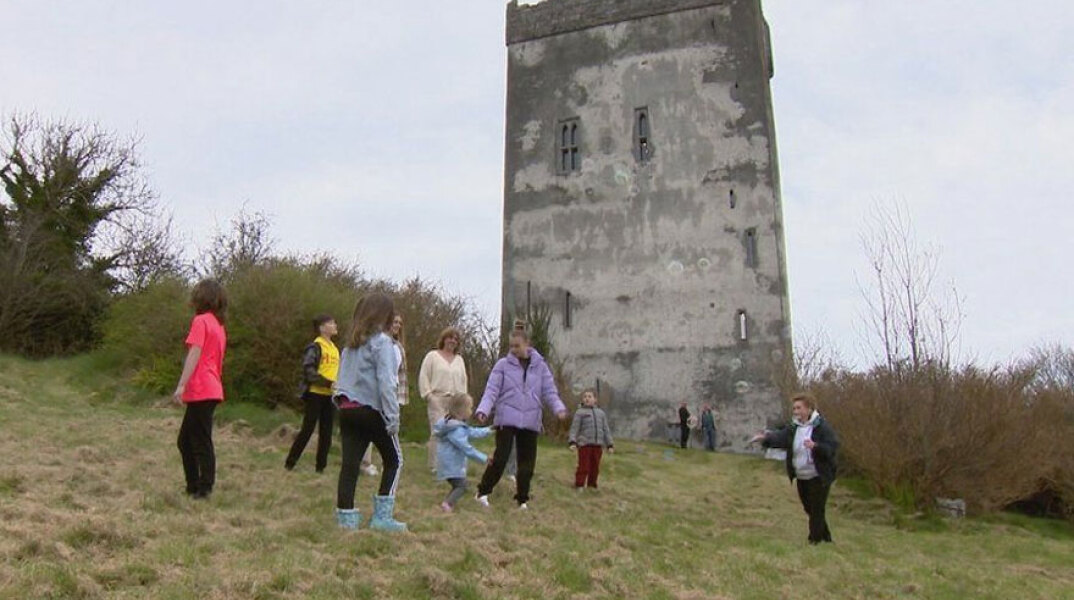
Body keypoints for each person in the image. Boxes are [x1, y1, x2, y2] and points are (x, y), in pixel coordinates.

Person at [333, 293, 406, 532]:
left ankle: (346, 520)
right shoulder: (383, 343)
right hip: (371, 410)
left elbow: (341, 379)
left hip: (347, 409)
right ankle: (382, 517)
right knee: (394, 460)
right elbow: (387, 381)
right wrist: (393, 417)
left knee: (350, 465)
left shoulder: (350, 345)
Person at [474, 322, 568, 509]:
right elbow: (492, 389)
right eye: (511, 346)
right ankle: (483, 492)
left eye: (517, 346)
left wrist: (559, 408)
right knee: (500, 458)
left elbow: (549, 391)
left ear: (527, 344)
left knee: (527, 463)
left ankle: (522, 499)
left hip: (530, 420)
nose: (514, 350)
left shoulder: (541, 367)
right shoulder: (502, 365)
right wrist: (483, 409)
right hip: (506, 419)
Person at [750, 392, 840, 544]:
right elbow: (780, 437)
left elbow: (832, 447)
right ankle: (826, 537)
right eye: (794, 408)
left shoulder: (822, 427)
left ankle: (814, 541)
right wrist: (765, 439)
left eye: (799, 408)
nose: (796, 411)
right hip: (802, 475)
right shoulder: (794, 427)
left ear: (809, 409)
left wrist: (815, 446)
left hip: (819, 475)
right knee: (809, 509)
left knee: (817, 509)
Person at [173, 279, 228, 500]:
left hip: (202, 388)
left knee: (199, 440)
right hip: (212, 386)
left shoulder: (201, 321)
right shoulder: (218, 325)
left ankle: (204, 488)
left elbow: (195, 353)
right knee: (187, 440)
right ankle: (194, 485)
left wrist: (181, 385)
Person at [285, 314, 339, 473]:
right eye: (331, 323)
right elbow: (309, 371)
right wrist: (327, 382)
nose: (335, 325)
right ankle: (290, 463)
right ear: (322, 327)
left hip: (330, 396)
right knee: (307, 430)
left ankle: (320, 467)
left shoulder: (335, 349)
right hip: (316, 394)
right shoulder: (316, 346)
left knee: (327, 433)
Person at [418, 327, 469, 473]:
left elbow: (463, 381)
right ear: (444, 339)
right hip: (438, 398)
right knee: (438, 432)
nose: (452, 341)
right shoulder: (432, 356)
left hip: (456, 401)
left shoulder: (459, 360)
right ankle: (436, 465)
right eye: (450, 337)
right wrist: (428, 396)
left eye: (455, 339)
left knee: (457, 433)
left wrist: (464, 402)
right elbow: (424, 376)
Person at [433, 393, 492, 512]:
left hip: (449, 464)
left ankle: (448, 502)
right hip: (451, 465)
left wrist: (490, 430)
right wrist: (484, 458)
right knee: (462, 486)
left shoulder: (455, 425)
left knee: (458, 485)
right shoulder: (455, 430)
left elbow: (472, 432)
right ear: (461, 411)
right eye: (470, 408)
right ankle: (447, 504)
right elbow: (467, 449)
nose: (472, 411)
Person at [568, 389, 614, 490]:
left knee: (595, 466)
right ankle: (579, 484)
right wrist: (572, 442)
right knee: (583, 465)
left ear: (595, 399)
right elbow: (574, 428)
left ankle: (592, 485)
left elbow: (606, 429)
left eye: (589, 396)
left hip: (598, 445)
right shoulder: (580, 413)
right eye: (585, 397)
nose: (587, 399)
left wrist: (609, 444)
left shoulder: (601, 413)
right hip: (584, 444)